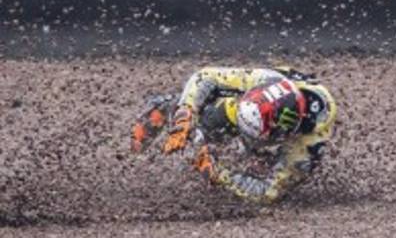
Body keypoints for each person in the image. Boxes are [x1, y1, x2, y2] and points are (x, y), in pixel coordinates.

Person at [131, 66, 336, 204]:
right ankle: (137, 150)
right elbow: (205, 76)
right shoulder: (265, 79)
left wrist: (218, 174)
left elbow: (268, 192)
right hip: (259, 110)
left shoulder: (307, 145)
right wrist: (185, 113)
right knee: (209, 113)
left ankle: (244, 158)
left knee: (259, 173)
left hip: (279, 139)